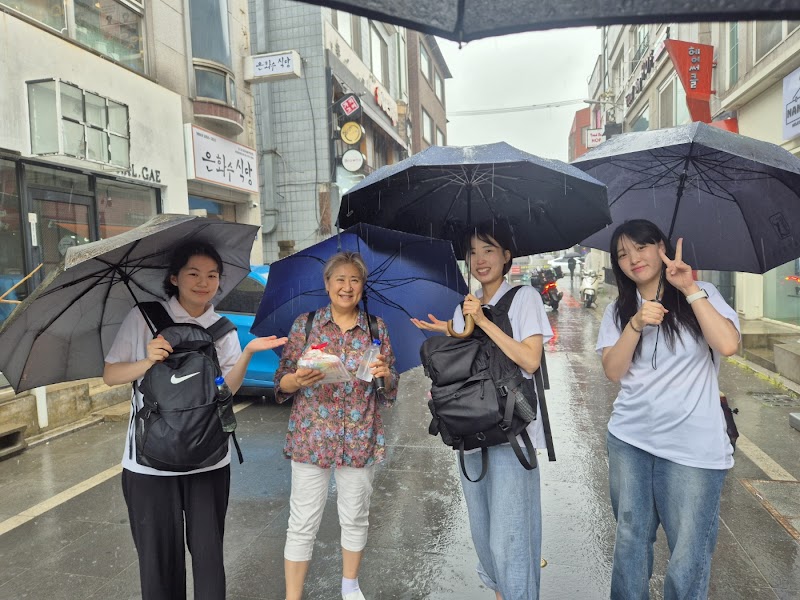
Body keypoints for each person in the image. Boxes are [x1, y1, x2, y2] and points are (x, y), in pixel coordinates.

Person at [103, 241, 287, 600]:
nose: (204, 282)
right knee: (158, 563)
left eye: (212, 275)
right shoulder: (144, 318)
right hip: (149, 464)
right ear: (174, 277)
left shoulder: (223, 328)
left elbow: (226, 390)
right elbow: (111, 374)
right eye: (194, 273)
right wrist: (147, 361)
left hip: (208, 458)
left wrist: (247, 353)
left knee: (208, 557)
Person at [596, 219, 740, 600]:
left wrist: (688, 288)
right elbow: (613, 371)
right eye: (622, 254)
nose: (633, 259)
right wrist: (635, 323)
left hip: (693, 450)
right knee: (630, 543)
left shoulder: (704, 293)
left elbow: (728, 344)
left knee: (689, 556)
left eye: (641, 247)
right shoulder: (618, 310)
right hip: (630, 441)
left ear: (662, 248)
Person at [412, 222, 553, 600]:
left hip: (511, 433)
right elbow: (467, 362)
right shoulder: (466, 306)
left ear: (507, 255)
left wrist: (484, 321)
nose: (480, 259)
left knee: (512, 537)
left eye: (489, 249)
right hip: (470, 431)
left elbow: (529, 359)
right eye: (472, 251)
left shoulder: (524, 298)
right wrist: (449, 331)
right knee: (485, 535)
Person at [274, 251, 398, 600]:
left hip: (359, 438)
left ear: (362, 286)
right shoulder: (306, 324)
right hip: (311, 437)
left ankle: (350, 586)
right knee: (302, 521)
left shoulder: (376, 328)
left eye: (354, 280)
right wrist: (297, 380)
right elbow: (281, 380)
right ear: (327, 284)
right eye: (340, 279)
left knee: (355, 516)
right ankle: (293, 596)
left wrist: (386, 375)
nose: (347, 286)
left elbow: (389, 388)